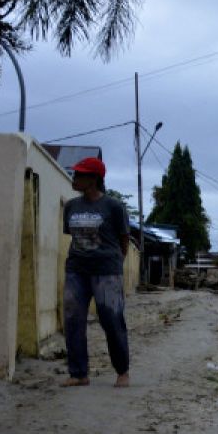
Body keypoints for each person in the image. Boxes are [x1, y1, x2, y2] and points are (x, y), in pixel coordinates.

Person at [61, 157, 131, 388]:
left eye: (79, 175)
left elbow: (124, 240)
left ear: (93, 179)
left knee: (111, 319)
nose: (74, 178)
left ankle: (122, 371)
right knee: (72, 319)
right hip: (77, 270)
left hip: (107, 271)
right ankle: (79, 373)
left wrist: (115, 263)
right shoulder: (71, 206)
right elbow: (73, 237)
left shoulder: (113, 207)